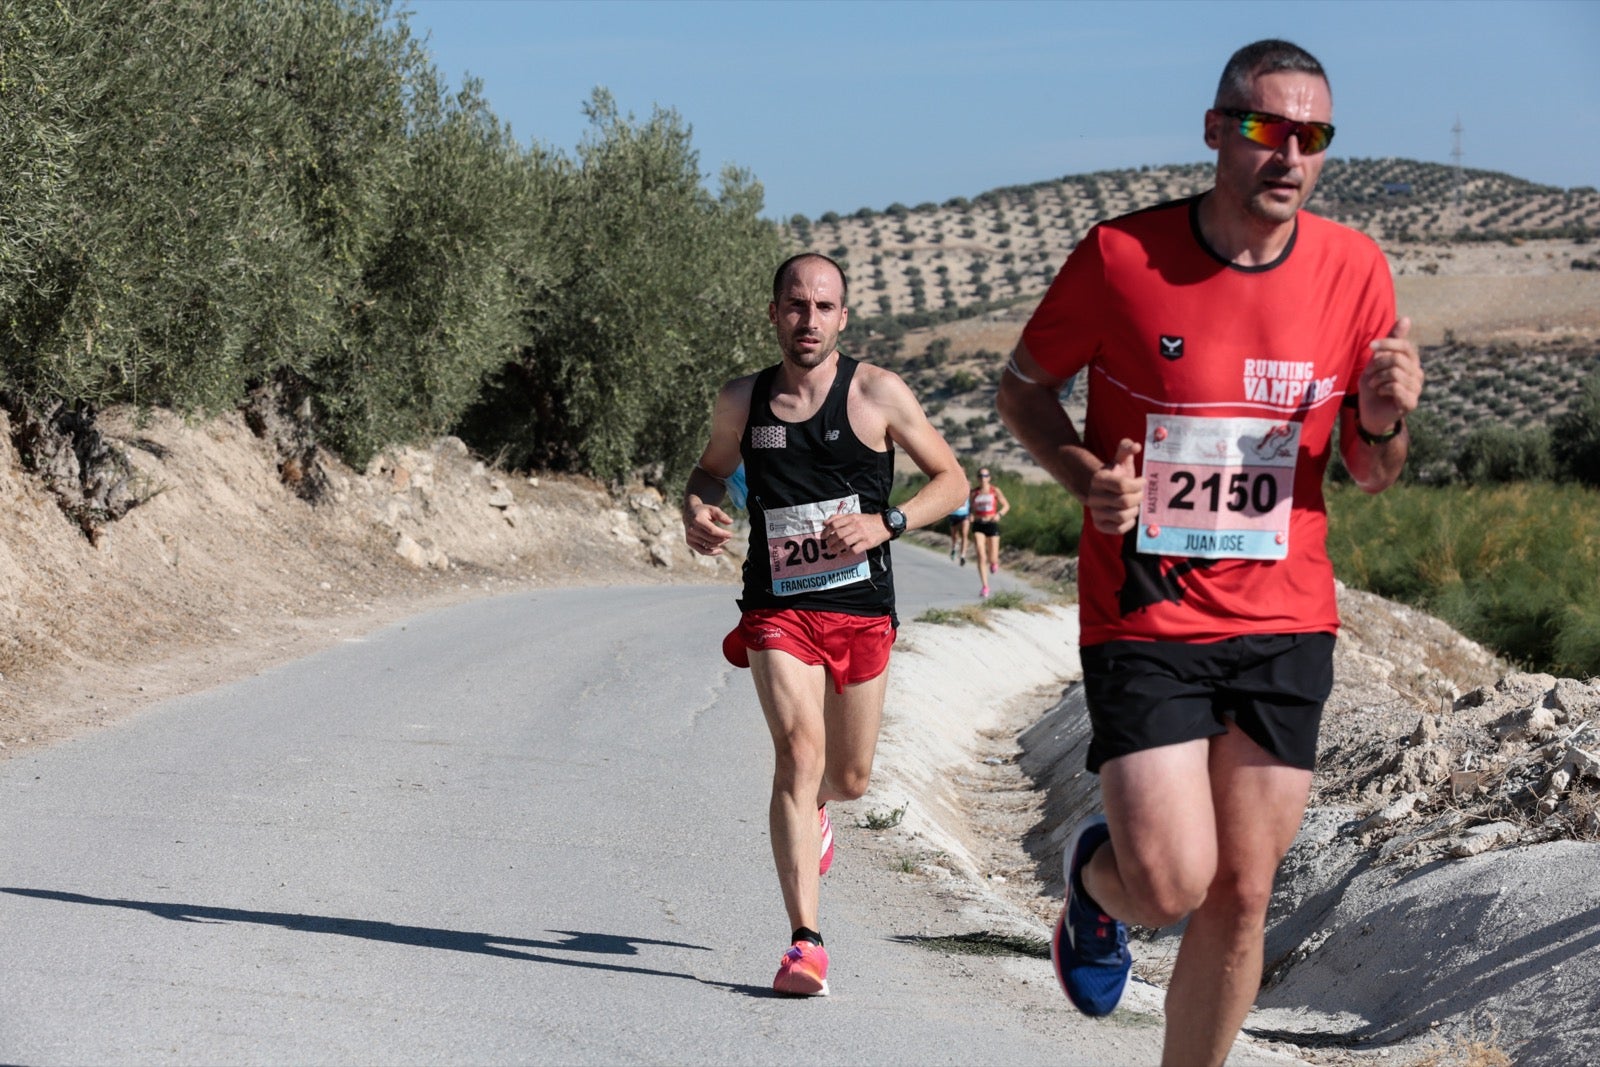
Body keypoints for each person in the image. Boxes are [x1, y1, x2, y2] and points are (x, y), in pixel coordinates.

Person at [995, 39, 1422, 1066]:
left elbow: (1371, 471)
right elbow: (1021, 388)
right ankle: (1096, 881)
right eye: (1266, 128)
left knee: (1242, 890)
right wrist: (1084, 476)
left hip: (1285, 615)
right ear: (1216, 130)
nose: (1289, 155)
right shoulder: (1120, 258)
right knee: (1169, 883)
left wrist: (1383, 420)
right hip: (1147, 608)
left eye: (1312, 136)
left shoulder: (1355, 269)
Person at [683, 252, 966, 996]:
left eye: (822, 306)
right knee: (798, 752)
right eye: (795, 304)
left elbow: (953, 480)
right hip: (777, 606)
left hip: (861, 609)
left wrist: (886, 522)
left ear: (843, 316)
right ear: (774, 312)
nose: (807, 319)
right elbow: (709, 470)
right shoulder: (742, 400)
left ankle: (819, 814)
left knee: (847, 776)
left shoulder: (877, 393)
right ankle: (804, 944)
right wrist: (697, 507)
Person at [968, 467, 1009, 598]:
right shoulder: (974, 492)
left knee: (993, 557)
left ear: (989, 477)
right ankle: (985, 586)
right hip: (978, 524)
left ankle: (993, 562)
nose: (983, 478)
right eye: (980, 476)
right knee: (981, 555)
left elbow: (1006, 505)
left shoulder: (994, 490)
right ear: (977, 478)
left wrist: (999, 514)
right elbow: (969, 508)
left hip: (991, 523)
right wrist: (970, 515)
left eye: (985, 476)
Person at [946, 494, 971, 564]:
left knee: (964, 534)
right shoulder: (952, 491)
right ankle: (954, 547)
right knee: (954, 535)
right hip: (954, 514)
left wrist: (972, 513)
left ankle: (963, 555)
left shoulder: (968, 491)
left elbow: (973, 501)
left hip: (965, 515)